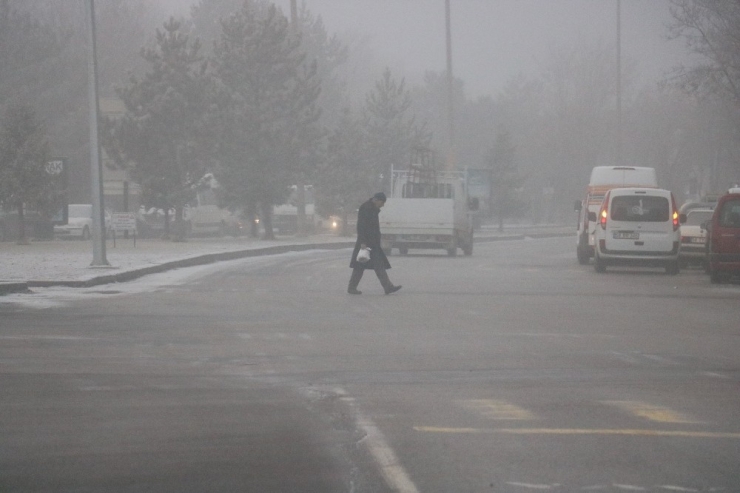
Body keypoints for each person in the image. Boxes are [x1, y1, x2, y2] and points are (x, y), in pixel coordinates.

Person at [348, 192, 402, 295]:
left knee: (378, 265)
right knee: (360, 266)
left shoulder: (371, 208)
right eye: (382, 202)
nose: (382, 205)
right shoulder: (366, 208)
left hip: (372, 242)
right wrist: (363, 241)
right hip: (367, 242)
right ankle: (352, 287)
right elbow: (361, 225)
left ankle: (388, 287)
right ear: (376, 200)